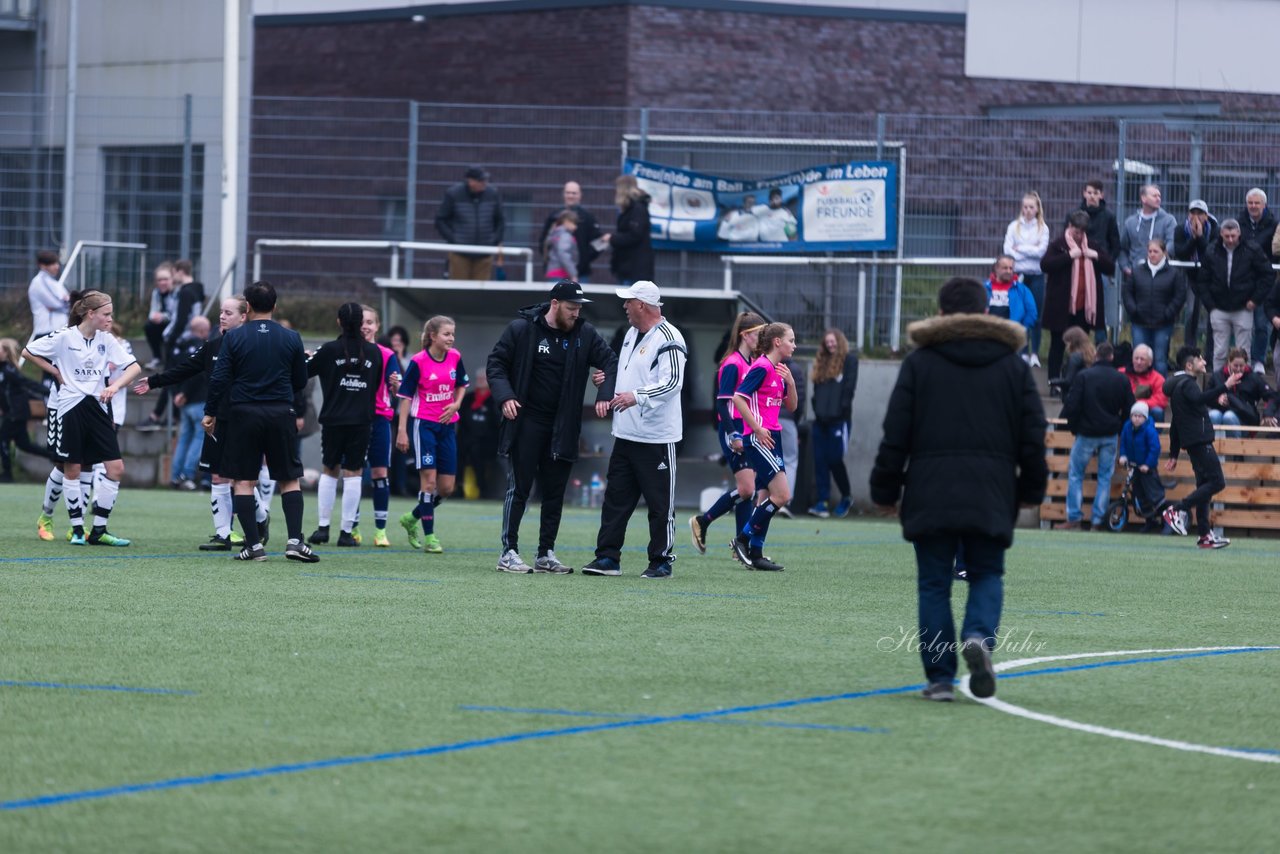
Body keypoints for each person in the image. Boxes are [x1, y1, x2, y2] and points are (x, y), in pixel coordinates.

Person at [870, 277, 1047, 702]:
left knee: (933, 584)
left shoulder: (920, 363)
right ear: (986, 311)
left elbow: (897, 430)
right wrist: (1032, 489)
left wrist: (885, 489)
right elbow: (1033, 434)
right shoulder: (1013, 366)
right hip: (992, 490)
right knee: (986, 573)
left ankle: (940, 679)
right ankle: (979, 638)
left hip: (930, 490)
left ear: (942, 313)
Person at [486, 280, 617, 572]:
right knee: (519, 488)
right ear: (554, 304)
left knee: (555, 492)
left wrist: (604, 391)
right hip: (527, 422)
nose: (576, 314)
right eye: (571, 308)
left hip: (564, 426)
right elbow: (496, 364)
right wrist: (505, 396)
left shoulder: (584, 333)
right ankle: (508, 552)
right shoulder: (521, 329)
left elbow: (610, 361)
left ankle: (545, 553)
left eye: (579, 308)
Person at [204, 281, 317, 563]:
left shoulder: (234, 337)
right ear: (275, 306)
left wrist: (210, 411)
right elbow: (301, 380)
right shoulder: (291, 337)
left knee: (243, 480)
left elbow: (220, 378)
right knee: (289, 479)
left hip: (244, 413)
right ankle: (294, 542)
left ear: (248, 307)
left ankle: (253, 546)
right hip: (281, 412)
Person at [581, 281, 686, 579]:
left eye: (628, 302)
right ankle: (607, 558)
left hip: (656, 437)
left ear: (642, 304)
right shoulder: (629, 334)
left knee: (660, 504)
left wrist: (636, 396)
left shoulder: (670, 337)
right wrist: (608, 383)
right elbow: (628, 373)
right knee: (615, 500)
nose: (624, 306)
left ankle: (661, 561)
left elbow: (672, 382)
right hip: (625, 433)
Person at [22, 291, 140, 546]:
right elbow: (28, 351)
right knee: (66, 467)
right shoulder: (64, 336)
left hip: (96, 407)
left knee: (104, 467)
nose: (111, 319)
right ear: (91, 313)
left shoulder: (106, 340)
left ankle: (93, 529)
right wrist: (55, 371)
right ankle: (52, 518)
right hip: (66, 406)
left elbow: (133, 367)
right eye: (107, 314)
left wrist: (115, 386)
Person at [134, 295, 249, 551]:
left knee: (244, 479)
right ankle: (223, 534)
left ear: (244, 316)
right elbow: (185, 369)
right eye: (221, 312)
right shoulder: (212, 346)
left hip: (246, 421)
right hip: (217, 420)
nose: (221, 316)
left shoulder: (253, 347)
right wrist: (154, 381)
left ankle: (258, 521)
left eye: (228, 313)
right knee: (218, 476)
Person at [306, 303, 386, 548]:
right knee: (354, 473)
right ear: (361, 322)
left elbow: (302, 373)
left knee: (330, 469)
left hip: (333, 419)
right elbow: (374, 386)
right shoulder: (374, 353)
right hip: (361, 419)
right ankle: (346, 533)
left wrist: (307, 357)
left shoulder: (329, 350)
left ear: (339, 322)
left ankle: (322, 529)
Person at [689, 311, 765, 552]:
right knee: (747, 489)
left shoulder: (750, 362)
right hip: (733, 430)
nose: (761, 339)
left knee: (747, 490)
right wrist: (733, 434)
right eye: (758, 334)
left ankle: (740, 546)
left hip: (746, 430)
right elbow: (722, 403)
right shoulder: (732, 363)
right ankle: (702, 521)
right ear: (745, 335)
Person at [396, 316, 469, 555]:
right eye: (447, 334)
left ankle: (412, 517)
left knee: (446, 488)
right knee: (428, 483)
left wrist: (456, 404)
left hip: (447, 426)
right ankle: (430, 537)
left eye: (453, 334)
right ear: (433, 336)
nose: (451, 338)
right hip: (424, 426)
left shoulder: (455, 357)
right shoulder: (418, 362)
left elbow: (461, 385)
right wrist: (402, 431)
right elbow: (405, 398)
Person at [730, 322, 799, 572]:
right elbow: (738, 398)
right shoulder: (760, 367)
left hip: (774, 438)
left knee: (765, 498)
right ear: (777, 342)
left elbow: (791, 407)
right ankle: (742, 539)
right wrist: (756, 429)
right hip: (760, 440)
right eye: (791, 340)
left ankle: (756, 554)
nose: (795, 344)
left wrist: (790, 383)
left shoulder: (780, 370)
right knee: (782, 496)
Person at [1162, 346, 1236, 549]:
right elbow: (1199, 399)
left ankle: (1204, 535)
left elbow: (1176, 423)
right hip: (1200, 443)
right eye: (1200, 359)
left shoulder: (1180, 387)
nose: (1204, 362)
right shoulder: (1188, 384)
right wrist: (1225, 386)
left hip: (1194, 444)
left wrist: (1174, 453)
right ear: (1189, 365)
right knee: (1217, 482)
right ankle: (1177, 509)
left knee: (1205, 487)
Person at [1056, 342, 1134, 531]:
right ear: (1112, 357)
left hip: (1086, 433)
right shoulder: (1121, 379)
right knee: (1104, 478)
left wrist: (1075, 428)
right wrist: (1119, 428)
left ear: (1096, 356)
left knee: (1075, 475)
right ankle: (1097, 520)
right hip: (1109, 434)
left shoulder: (1084, 376)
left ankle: (1074, 517)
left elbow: (1071, 406)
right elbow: (1129, 408)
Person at [1041, 211, 1116, 381]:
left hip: (1084, 308)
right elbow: (1045, 265)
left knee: (1081, 347)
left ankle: (1075, 379)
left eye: (1082, 232)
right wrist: (1068, 257)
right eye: (1076, 231)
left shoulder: (1092, 246)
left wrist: (1095, 256)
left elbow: (1110, 267)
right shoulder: (1058, 245)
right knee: (1058, 345)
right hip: (1062, 308)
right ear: (1070, 227)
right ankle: (1054, 381)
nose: (1079, 235)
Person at [1197, 218, 1272, 373]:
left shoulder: (1252, 249)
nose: (1230, 240)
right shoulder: (1211, 251)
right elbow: (1202, 280)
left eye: (1233, 236)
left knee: (1243, 352)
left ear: (1239, 233)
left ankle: (1245, 387)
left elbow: (1267, 275)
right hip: (1218, 308)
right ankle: (1218, 387)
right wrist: (1210, 304)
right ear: (1221, 234)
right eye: (1227, 236)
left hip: (1244, 307)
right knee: (1219, 352)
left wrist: (1255, 299)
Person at [358, 305, 402, 547]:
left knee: (380, 472)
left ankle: (380, 530)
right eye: (362, 322)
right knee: (352, 472)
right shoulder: (348, 350)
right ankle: (351, 527)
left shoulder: (387, 354)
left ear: (377, 326)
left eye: (370, 322)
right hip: (353, 420)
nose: (365, 326)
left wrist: (395, 384)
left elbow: (398, 390)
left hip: (380, 419)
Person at [808, 327, 858, 518]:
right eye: (827, 341)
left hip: (839, 421)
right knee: (820, 461)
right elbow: (817, 392)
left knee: (835, 459)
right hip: (820, 422)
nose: (830, 344)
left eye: (833, 341)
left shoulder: (850, 361)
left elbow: (849, 390)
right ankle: (823, 502)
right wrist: (817, 410)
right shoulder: (821, 362)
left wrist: (840, 412)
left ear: (839, 340)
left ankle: (846, 496)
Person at [1122, 238, 1186, 375]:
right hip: (1139, 322)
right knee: (1139, 359)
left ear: (1164, 252)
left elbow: (1179, 296)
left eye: (1156, 251)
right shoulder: (1137, 271)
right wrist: (1133, 310)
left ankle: (1161, 393)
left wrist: (1168, 313)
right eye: (1150, 251)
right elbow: (1127, 293)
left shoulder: (1174, 274)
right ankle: (1138, 391)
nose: (1152, 254)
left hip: (1163, 323)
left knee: (1160, 360)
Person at [434, 166, 505, 282]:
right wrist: (454, 240)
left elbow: (500, 220)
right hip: (460, 253)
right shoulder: (454, 194)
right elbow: (441, 219)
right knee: (459, 289)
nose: (484, 183)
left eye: (485, 180)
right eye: (480, 181)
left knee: (481, 292)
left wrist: (494, 241)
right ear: (470, 181)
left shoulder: (492, 194)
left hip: (485, 253)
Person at [166, 314, 212, 490]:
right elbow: (198, 373)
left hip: (182, 402)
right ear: (202, 331)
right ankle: (187, 473)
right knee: (199, 437)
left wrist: (177, 394)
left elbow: (171, 372)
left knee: (184, 438)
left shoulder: (178, 347)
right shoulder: (202, 347)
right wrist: (185, 392)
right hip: (198, 399)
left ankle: (175, 475)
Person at [1002, 192, 1049, 363]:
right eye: (1025, 207)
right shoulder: (1013, 227)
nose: (1028, 210)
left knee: (1035, 315)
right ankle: (1022, 352)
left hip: (1036, 276)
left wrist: (1020, 248)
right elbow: (1008, 251)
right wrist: (1029, 250)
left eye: (1031, 207)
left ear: (1037, 209)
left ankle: (1035, 354)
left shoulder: (1043, 228)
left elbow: (1041, 253)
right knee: (1019, 314)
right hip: (1019, 275)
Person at [0, 337, 53, 481]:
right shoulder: (3, 370)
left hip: (16, 414)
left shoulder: (9, 371)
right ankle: (54, 456)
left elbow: (26, 384)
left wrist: (47, 391)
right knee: (24, 445)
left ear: (5, 353)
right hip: (13, 413)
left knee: (2, 439)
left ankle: (7, 474)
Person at [1237, 189, 1278, 372]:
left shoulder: (1273, 224)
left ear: (1264, 204)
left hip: (1264, 280)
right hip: (1243, 280)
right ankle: (1241, 361)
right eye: (1250, 203)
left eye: (1257, 203)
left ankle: (1259, 360)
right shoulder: (1239, 223)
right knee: (1242, 325)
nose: (1253, 206)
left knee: (1262, 324)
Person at [1174, 199, 1219, 352]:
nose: (1196, 217)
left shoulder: (1214, 230)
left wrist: (1199, 237)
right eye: (1193, 213)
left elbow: (1210, 254)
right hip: (1190, 276)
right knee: (1191, 312)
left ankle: (1210, 354)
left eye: (1200, 213)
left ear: (1206, 216)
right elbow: (1180, 253)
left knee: (1210, 316)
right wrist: (1193, 238)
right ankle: (1189, 350)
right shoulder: (1181, 229)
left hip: (1210, 278)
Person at [537, 180, 603, 282]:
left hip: (580, 273)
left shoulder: (588, 218)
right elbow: (544, 242)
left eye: (574, 193)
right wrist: (552, 258)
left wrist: (584, 259)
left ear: (580, 195)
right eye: (568, 193)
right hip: (558, 273)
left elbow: (600, 242)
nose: (570, 196)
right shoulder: (554, 216)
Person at [1117, 401, 1165, 533]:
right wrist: (1123, 455)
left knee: (1154, 496)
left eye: (1140, 416)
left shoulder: (1149, 430)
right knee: (1139, 494)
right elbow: (1124, 444)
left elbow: (1155, 448)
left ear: (1145, 417)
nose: (1136, 419)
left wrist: (1148, 464)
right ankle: (1150, 521)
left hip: (1147, 469)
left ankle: (1166, 521)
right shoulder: (1127, 427)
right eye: (1134, 415)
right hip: (1135, 467)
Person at [601, 174, 654, 286]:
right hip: (628, 268)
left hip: (634, 269)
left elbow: (635, 235)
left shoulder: (637, 209)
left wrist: (612, 238)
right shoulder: (631, 209)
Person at [1118, 184, 1177, 283]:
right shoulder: (1130, 222)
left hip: (1160, 276)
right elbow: (1122, 249)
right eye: (1154, 196)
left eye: (1159, 196)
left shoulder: (1168, 220)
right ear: (1143, 198)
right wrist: (1125, 268)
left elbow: (1172, 244)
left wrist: (1158, 260)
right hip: (1135, 275)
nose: (1158, 199)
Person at [1208, 347, 1273, 436]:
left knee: (1229, 416)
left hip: (1245, 418)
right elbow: (1205, 397)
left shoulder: (1254, 378)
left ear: (1246, 364)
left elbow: (1271, 396)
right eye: (1235, 365)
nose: (1238, 369)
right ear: (1229, 362)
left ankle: (1232, 448)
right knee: (1213, 415)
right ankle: (1212, 447)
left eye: (1241, 366)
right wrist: (1217, 399)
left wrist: (1268, 413)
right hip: (1221, 412)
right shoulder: (1217, 376)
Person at [457, 370, 501, 500]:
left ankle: (482, 488)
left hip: (486, 442)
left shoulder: (494, 400)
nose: (481, 380)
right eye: (479, 378)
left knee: (477, 452)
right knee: (457, 450)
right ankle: (458, 487)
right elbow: (460, 419)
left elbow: (496, 423)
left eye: (484, 378)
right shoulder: (468, 398)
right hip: (466, 439)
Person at [984, 255, 1038, 358]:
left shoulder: (1022, 290)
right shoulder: (984, 288)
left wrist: (1021, 328)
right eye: (1005, 268)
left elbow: (1032, 313)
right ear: (996, 268)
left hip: (1011, 338)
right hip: (988, 336)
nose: (1009, 271)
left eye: (1011, 268)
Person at [383, 325, 414, 497]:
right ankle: (380, 483)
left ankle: (400, 484)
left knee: (402, 447)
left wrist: (399, 357)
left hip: (403, 409)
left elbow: (409, 382)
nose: (396, 344)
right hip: (387, 409)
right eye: (393, 340)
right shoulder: (385, 357)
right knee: (385, 447)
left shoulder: (409, 360)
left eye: (399, 341)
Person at [775, 354, 805, 518]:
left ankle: (765, 500)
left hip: (767, 419)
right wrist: (796, 422)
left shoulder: (766, 365)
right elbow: (799, 402)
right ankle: (785, 502)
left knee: (768, 459)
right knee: (790, 460)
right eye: (791, 341)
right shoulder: (794, 369)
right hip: (786, 420)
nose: (794, 346)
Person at [26, 250, 69, 346]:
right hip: (47, 332)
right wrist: (65, 302)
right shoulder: (39, 282)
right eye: (52, 264)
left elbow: (68, 302)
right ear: (42, 265)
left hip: (61, 330)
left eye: (57, 263)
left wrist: (66, 302)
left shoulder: (54, 283)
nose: (56, 266)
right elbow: (56, 303)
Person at [1119, 344, 1168, 423]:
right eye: (1136, 358)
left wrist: (1137, 403)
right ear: (1132, 359)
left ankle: (1154, 434)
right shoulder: (1121, 373)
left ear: (1150, 362)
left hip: (1146, 412)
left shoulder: (1158, 378)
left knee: (1157, 411)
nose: (1138, 362)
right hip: (1124, 409)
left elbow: (1161, 400)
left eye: (1142, 359)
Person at [142, 262, 177, 370]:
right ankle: (157, 357)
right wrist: (155, 317)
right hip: (162, 322)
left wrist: (163, 316)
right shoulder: (156, 293)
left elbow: (176, 315)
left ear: (172, 279)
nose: (162, 282)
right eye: (159, 280)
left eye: (165, 279)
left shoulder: (177, 292)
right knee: (149, 326)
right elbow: (153, 311)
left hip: (174, 323)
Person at [543, 209, 579, 280]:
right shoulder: (565, 235)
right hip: (561, 272)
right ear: (566, 222)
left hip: (553, 271)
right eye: (574, 223)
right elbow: (564, 254)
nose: (575, 227)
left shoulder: (555, 233)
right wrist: (573, 274)